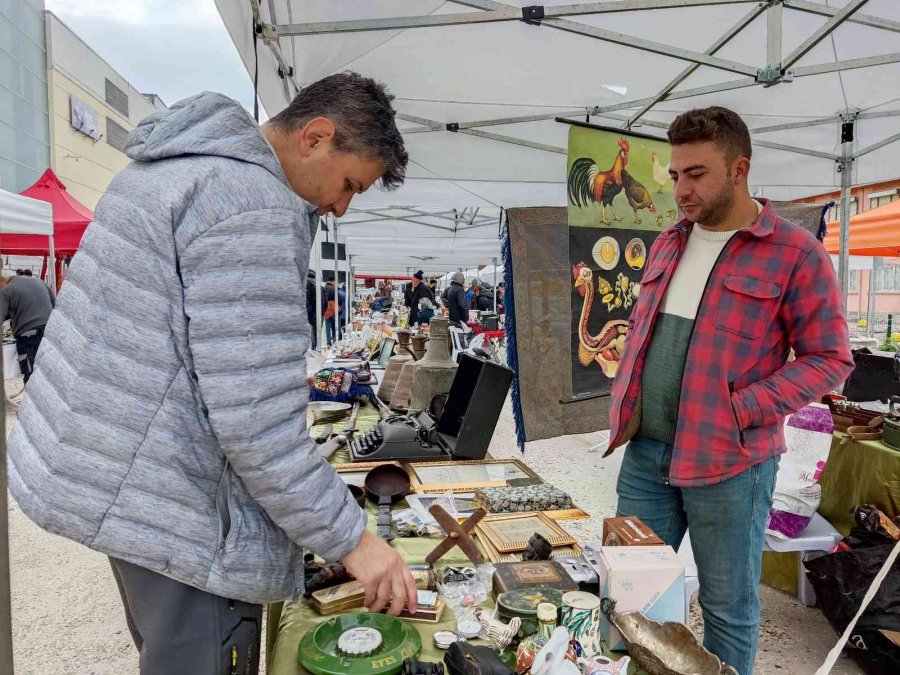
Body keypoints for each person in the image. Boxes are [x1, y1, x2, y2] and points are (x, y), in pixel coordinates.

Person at [7, 72, 418, 675]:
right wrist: (355, 540)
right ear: (315, 137)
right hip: (168, 498)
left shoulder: (176, 165)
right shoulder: (249, 204)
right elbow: (255, 425)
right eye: (349, 183)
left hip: (115, 473)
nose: (339, 206)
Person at [606, 107, 854, 674]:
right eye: (674, 176)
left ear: (739, 169)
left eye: (696, 174)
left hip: (732, 463)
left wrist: (743, 407)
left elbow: (830, 359)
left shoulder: (796, 253)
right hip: (646, 455)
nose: (681, 189)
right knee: (630, 594)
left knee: (728, 608)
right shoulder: (669, 242)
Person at [0, 273, 55, 383]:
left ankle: (36, 398)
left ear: (2, 282)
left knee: (30, 375)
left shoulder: (6, 291)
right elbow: (54, 303)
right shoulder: (39, 282)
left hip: (28, 337)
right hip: (50, 331)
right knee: (50, 371)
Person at [306, 269, 318, 348]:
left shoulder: (307, 284)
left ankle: (312, 346)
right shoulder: (316, 285)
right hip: (315, 313)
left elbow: (307, 300)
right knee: (314, 330)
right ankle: (314, 346)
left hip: (309, 312)